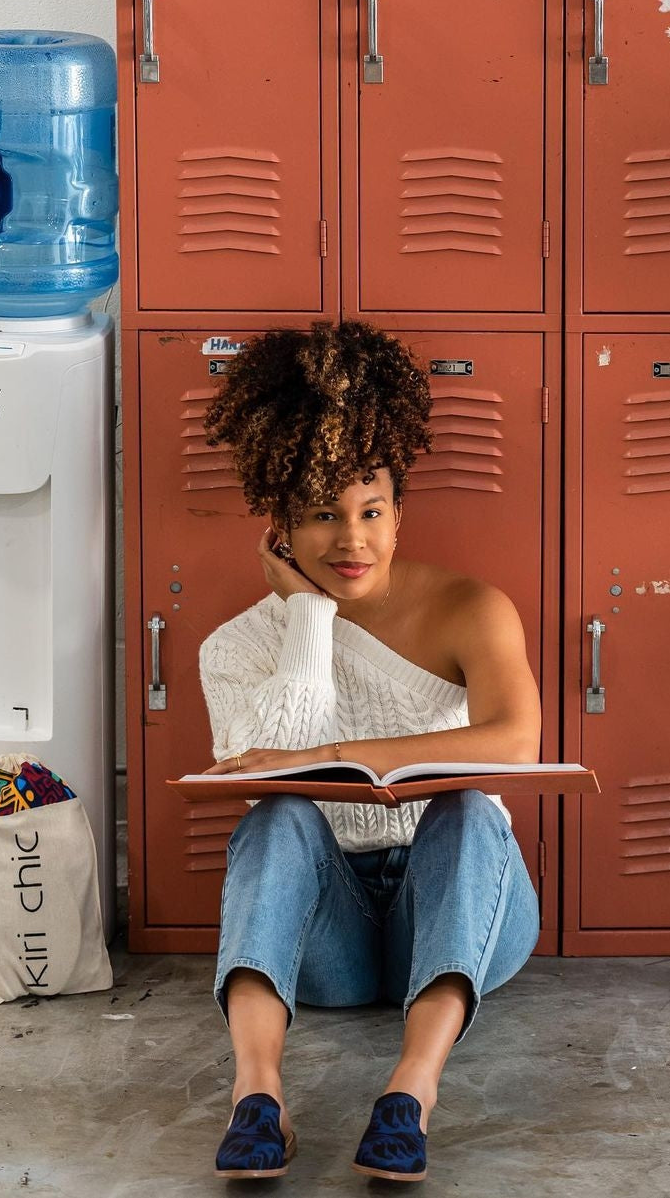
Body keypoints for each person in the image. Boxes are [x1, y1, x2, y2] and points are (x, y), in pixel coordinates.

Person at [196, 321, 542, 1182]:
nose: (351, 541)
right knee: (278, 814)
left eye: (371, 511)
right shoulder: (232, 649)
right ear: (279, 524)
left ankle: (408, 1096)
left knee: (465, 800)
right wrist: (308, 619)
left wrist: (360, 749)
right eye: (321, 514)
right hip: (332, 941)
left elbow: (516, 739)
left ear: (399, 510)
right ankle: (256, 1097)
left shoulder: (473, 607)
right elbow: (261, 767)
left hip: (458, 913)